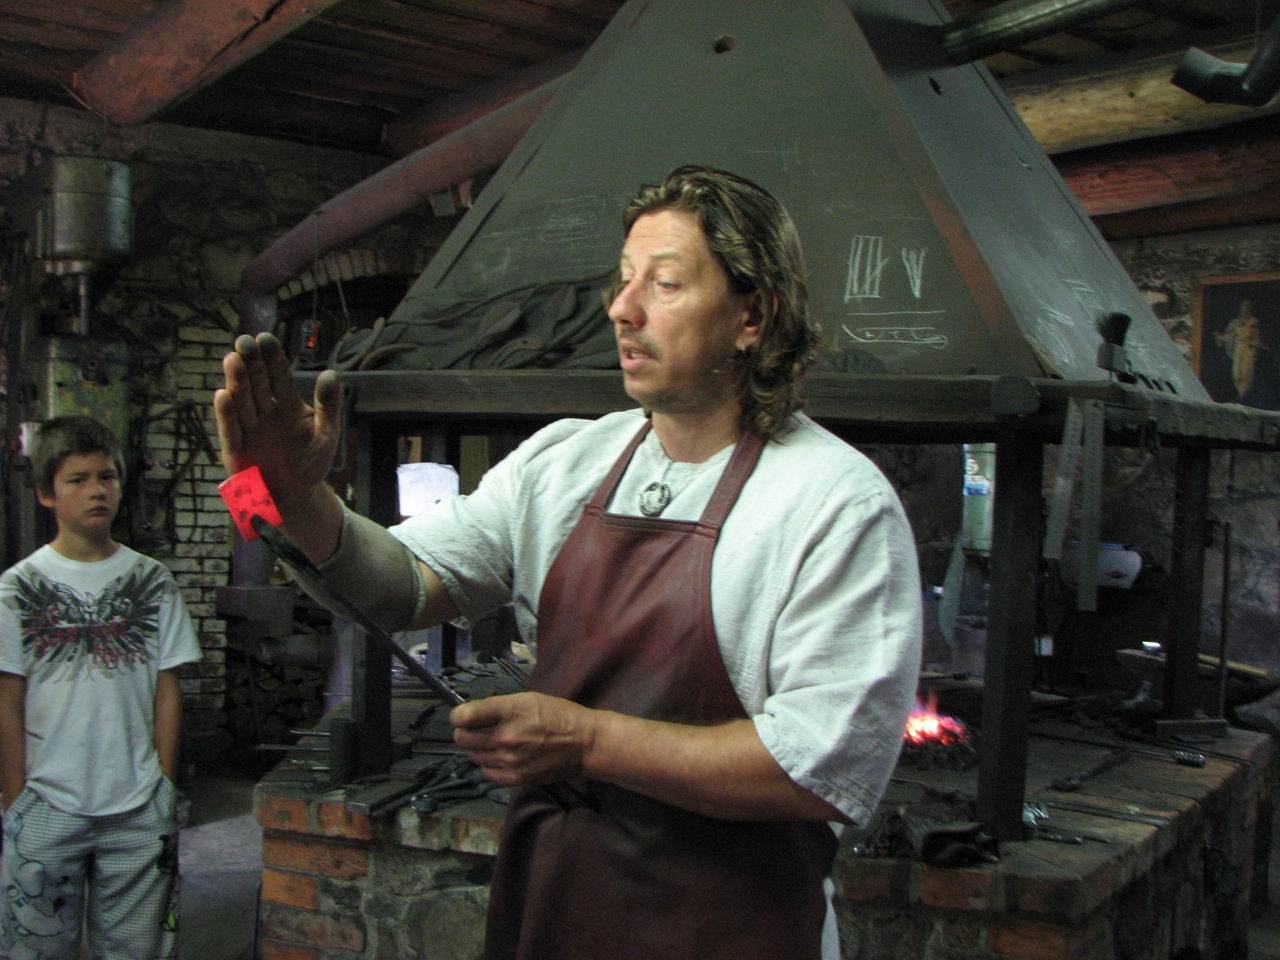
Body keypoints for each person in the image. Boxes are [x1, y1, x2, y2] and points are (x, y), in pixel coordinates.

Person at [214, 165, 922, 960]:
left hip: (730, 929)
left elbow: (817, 768)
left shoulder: (832, 503)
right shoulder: (563, 464)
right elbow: (404, 586)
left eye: (664, 283)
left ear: (752, 315)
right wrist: (297, 500)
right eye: (624, 279)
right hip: (555, 911)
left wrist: (586, 742)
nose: (622, 308)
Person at [0, 415, 202, 960]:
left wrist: (163, 785)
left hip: (137, 804)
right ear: (46, 493)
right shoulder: (17, 589)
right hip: (46, 803)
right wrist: (15, 802)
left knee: (137, 951)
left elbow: (167, 688)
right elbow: (7, 701)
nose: (97, 490)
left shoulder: (152, 581)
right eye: (79, 479)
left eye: (107, 477)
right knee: (35, 950)